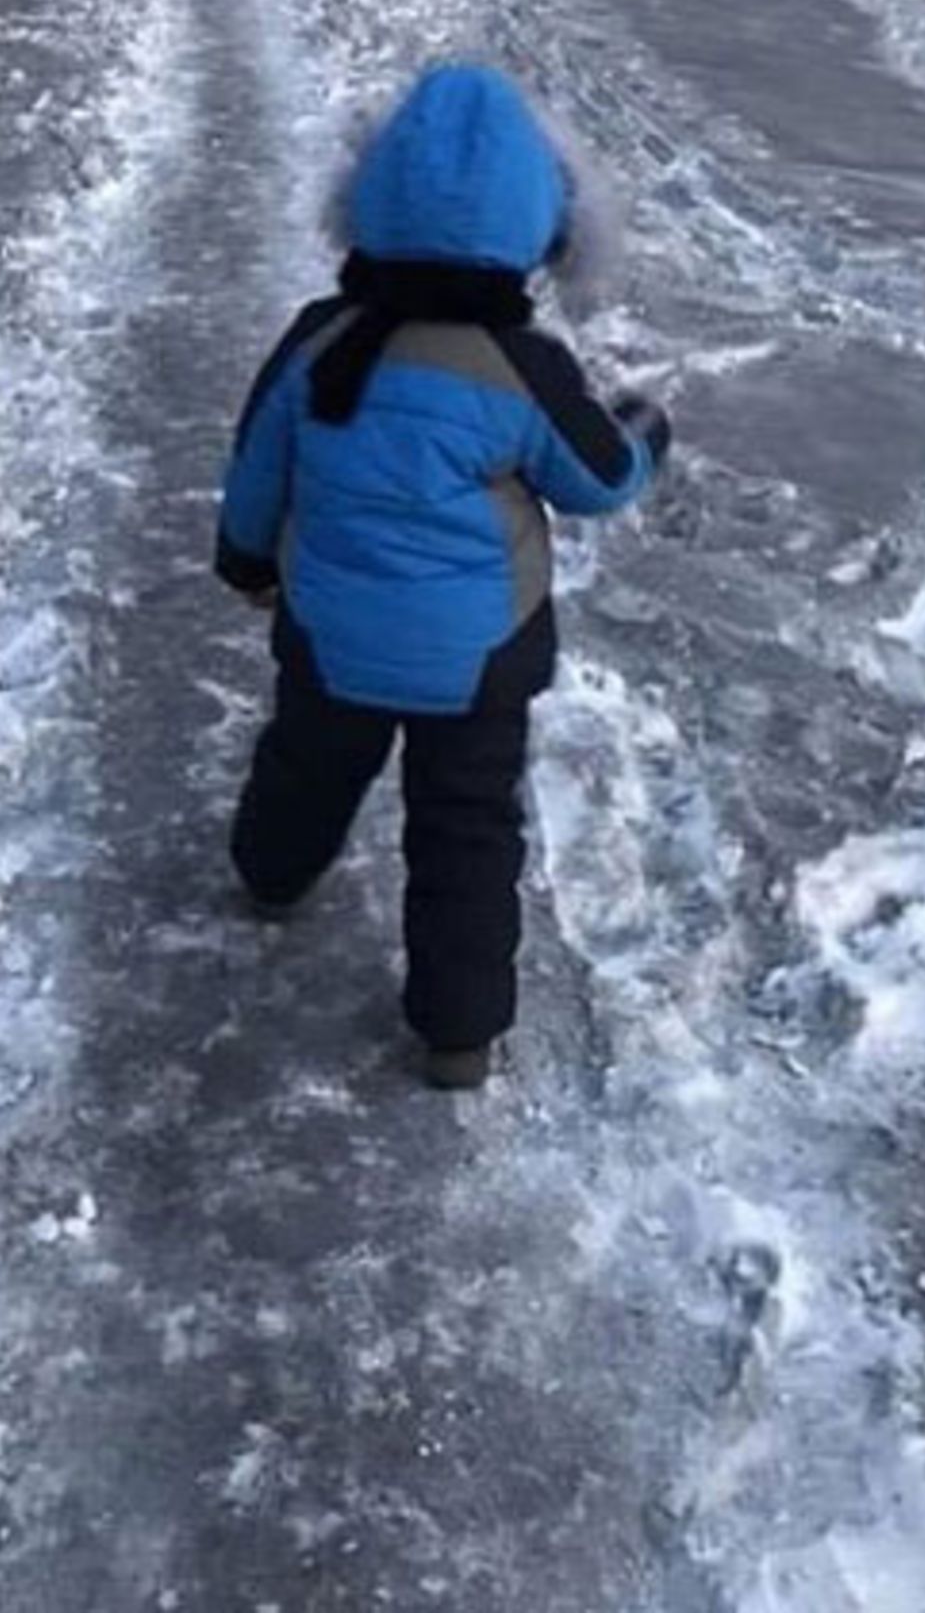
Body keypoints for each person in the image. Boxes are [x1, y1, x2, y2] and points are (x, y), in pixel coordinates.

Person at [214, 64, 671, 1091]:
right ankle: (459, 1031)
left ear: (369, 202)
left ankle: (270, 876)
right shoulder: (524, 367)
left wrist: (244, 562)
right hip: (478, 657)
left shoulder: (320, 340)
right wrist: (646, 432)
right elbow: (598, 480)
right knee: (466, 829)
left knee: (306, 763)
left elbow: (257, 471)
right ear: (539, 225)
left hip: (331, 636)